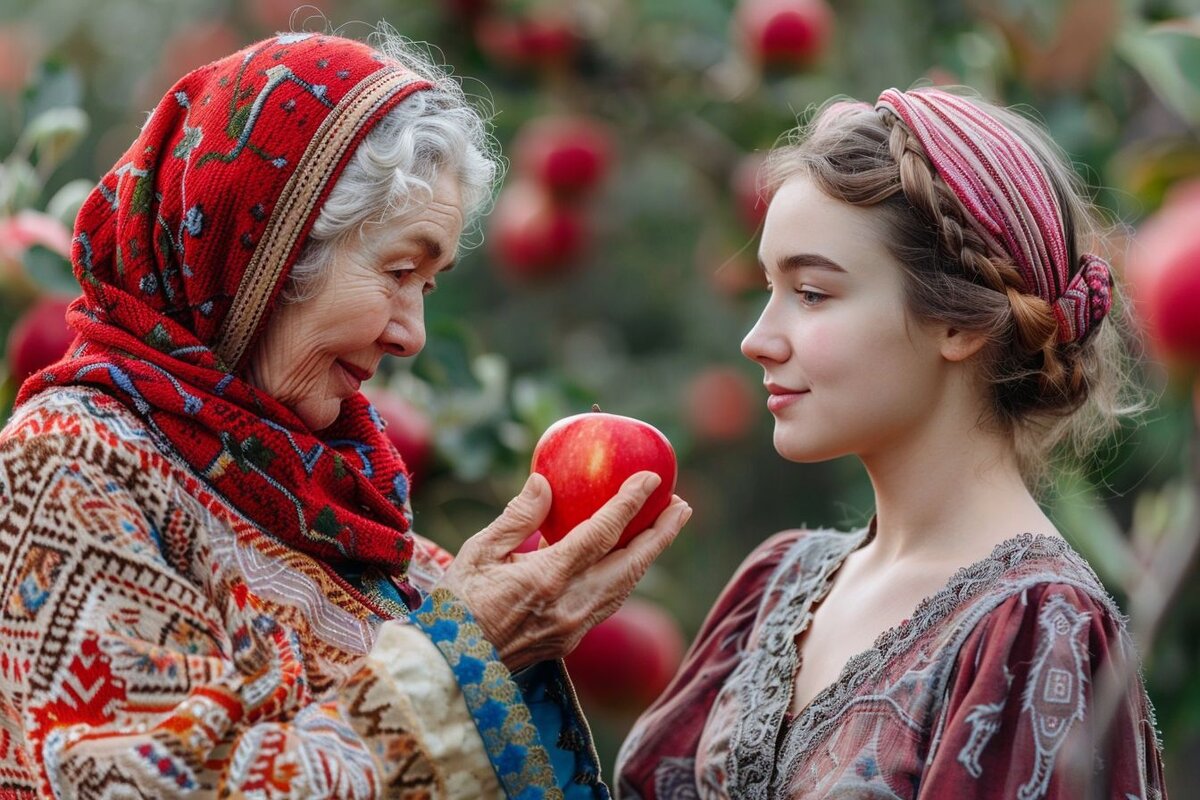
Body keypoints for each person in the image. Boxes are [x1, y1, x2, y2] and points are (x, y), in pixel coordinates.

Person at [0, 28, 691, 799]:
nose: (412, 335)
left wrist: (498, 637)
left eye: (427, 287)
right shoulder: (72, 466)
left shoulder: (362, 527)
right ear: (265, 250)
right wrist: (456, 659)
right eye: (398, 270)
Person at [614, 88, 1167, 798]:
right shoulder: (775, 588)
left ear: (958, 323)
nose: (756, 339)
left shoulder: (1038, 635)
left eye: (811, 293)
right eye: (768, 289)